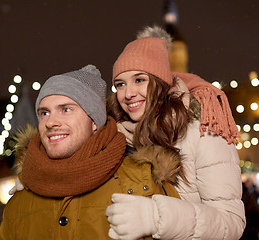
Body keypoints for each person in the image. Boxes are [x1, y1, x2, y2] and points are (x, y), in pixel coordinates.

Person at [0, 65, 182, 239]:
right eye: (44, 113)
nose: (50, 122)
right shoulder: (19, 200)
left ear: (94, 121)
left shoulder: (143, 181)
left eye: (66, 109)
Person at [105, 26, 246, 239]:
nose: (128, 94)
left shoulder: (203, 129)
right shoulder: (116, 134)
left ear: (160, 81)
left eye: (140, 80)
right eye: (120, 84)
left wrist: (158, 218)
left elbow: (231, 223)